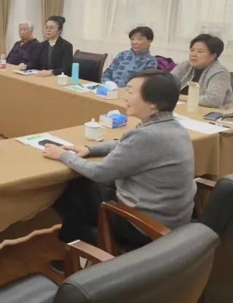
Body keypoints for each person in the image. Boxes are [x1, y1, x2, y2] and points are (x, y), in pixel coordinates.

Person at [43, 70, 196, 274]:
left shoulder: (148, 136)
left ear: (153, 103)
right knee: (83, 190)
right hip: (172, 217)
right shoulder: (170, 126)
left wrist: (63, 155)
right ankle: (78, 243)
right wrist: (90, 149)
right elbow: (125, 143)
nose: (125, 96)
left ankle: (79, 253)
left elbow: (100, 173)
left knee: (76, 187)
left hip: (144, 225)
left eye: (131, 91)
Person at [171, 34, 233, 109]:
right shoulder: (185, 65)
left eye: (200, 51)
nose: (193, 54)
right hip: (186, 109)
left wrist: (178, 97)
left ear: (213, 56)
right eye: (192, 50)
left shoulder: (220, 72)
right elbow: (167, 83)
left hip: (216, 112)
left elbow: (213, 100)